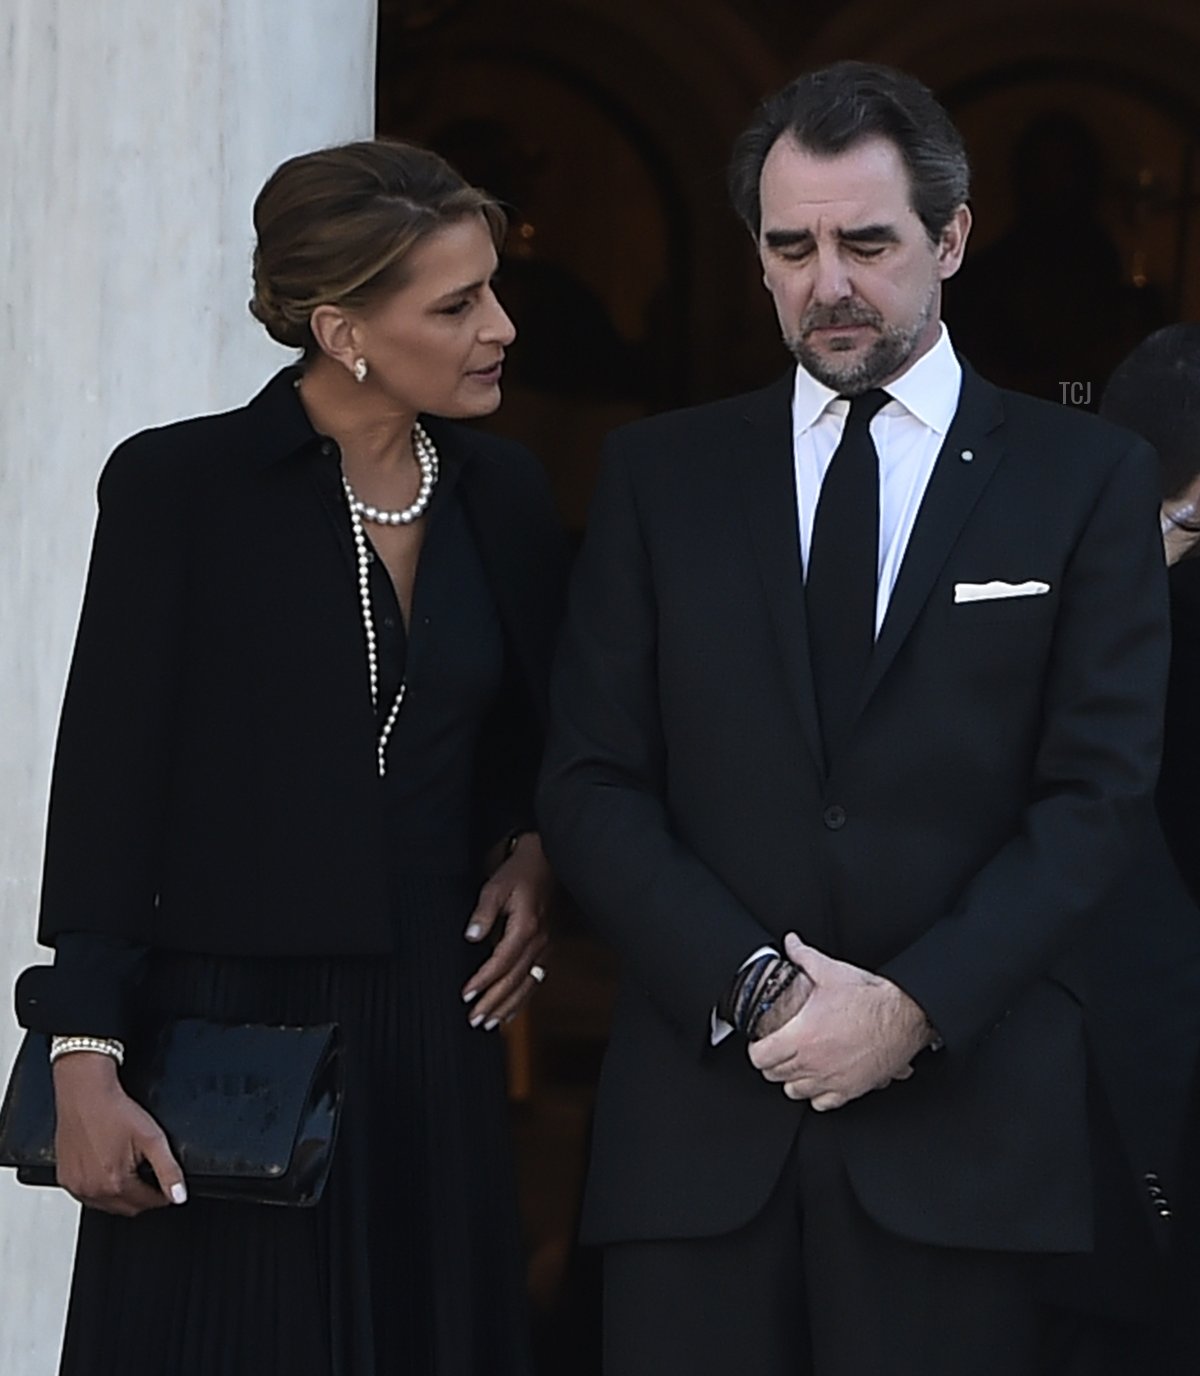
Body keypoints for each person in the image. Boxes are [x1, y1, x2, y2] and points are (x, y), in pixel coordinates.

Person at [537, 61, 1182, 1376]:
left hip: (971, 1149)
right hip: (698, 1156)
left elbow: (1098, 795)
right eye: (792, 247)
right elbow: (594, 783)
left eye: (865, 242)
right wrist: (763, 989)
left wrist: (911, 1009)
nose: (827, 282)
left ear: (949, 239)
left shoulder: (1085, 480)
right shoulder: (662, 478)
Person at [15, 139, 567, 1375]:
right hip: (224, 1036)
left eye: (490, 288)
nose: (502, 325)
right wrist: (83, 1055)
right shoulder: (180, 485)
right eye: (457, 303)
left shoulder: (506, 494)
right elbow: (111, 777)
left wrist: (534, 848)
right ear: (342, 326)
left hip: (433, 1030)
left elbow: (544, 736)